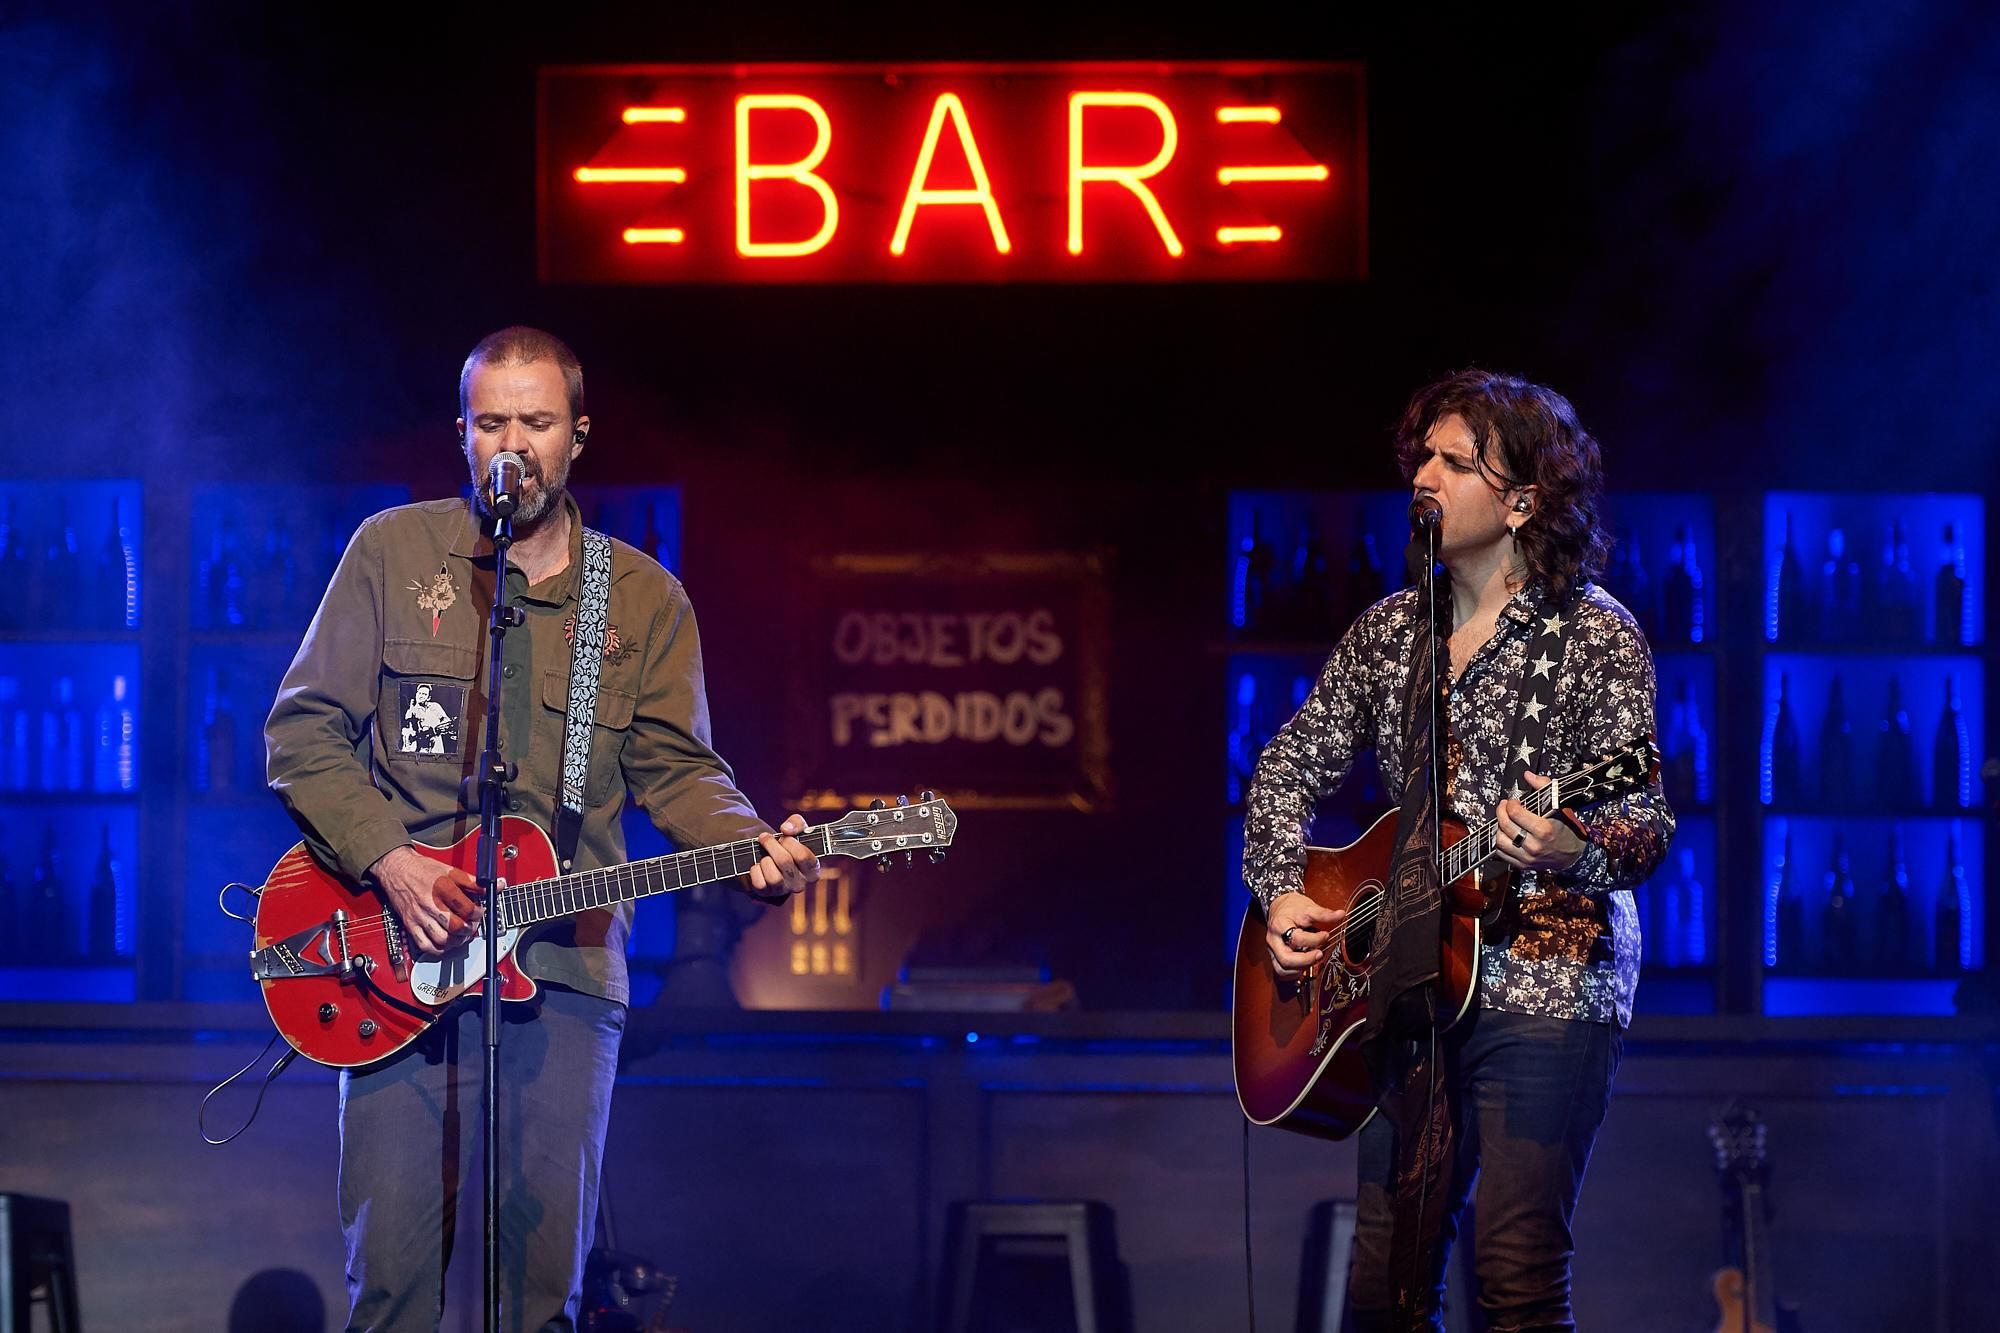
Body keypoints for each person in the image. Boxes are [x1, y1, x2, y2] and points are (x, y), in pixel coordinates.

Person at [265, 325, 819, 1331]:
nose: (510, 442)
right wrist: (391, 862)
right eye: (490, 422)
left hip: (562, 972)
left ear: (577, 435)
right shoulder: (394, 552)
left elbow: (676, 768)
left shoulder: (643, 598)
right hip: (393, 957)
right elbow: (302, 735)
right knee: (388, 1289)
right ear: (462, 434)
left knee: (539, 1299)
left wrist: (747, 843)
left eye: (535, 421)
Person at [1243, 369, 1672, 1331]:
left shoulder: (1596, 635)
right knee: (1383, 1288)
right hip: (1406, 986)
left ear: (1523, 500)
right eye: (1421, 457)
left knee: (1515, 1276)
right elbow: (1281, 771)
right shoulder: (1392, 633)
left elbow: (1643, 821)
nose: (1424, 477)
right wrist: (1279, 892)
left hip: (1548, 982)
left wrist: (1573, 845)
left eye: (1454, 461)